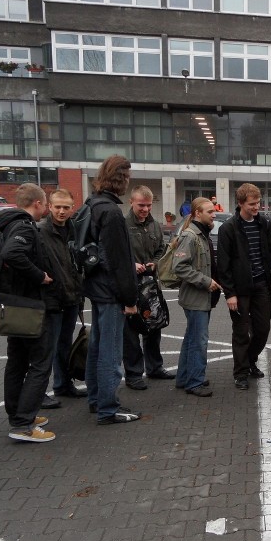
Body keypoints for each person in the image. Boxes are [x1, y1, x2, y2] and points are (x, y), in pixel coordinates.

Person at [83, 154, 142, 425]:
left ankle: (96, 399)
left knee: (96, 347)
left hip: (96, 288)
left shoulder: (91, 205)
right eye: (127, 176)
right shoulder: (111, 212)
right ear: (121, 177)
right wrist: (130, 298)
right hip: (111, 292)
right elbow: (119, 261)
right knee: (110, 351)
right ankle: (108, 407)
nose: (128, 182)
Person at [0, 183, 56, 442]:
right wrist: (39, 275)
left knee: (17, 361)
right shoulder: (24, 227)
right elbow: (13, 254)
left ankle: (17, 414)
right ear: (38, 203)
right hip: (28, 305)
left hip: (11, 303)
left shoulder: (5, 224)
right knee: (40, 363)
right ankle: (24, 423)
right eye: (45, 204)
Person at [216, 183, 271, 390]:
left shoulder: (265, 224)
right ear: (240, 203)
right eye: (252, 204)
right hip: (240, 290)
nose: (256, 207)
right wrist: (230, 294)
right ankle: (241, 373)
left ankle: (250, 360)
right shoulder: (228, 229)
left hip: (262, 285)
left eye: (258, 203)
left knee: (263, 329)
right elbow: (223, 265)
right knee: (241, 332)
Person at [123, 185, 175, 390]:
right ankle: (134, 374)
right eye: (140, 205)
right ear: (131, 203)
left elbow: (161, 249)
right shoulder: (123, 224)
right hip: (130, 284)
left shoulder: (154, 225)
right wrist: (131, 265)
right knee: (131, 332)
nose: (145, 209)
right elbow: (115, 252)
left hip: (151, 284)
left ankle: (154, 368)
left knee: (153, 327)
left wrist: (155, 261)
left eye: (148, 205)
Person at [38, 188, 85, 409]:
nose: (62, 211)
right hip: (52, 298)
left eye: (66, 207)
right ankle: (39, 392)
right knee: (47, 347)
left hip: (72, 295)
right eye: (57, 207)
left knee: (65, 344)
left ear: (72, 207)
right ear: (49, 207)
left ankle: (63, 384)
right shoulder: (41, 231)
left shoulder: (74, 229)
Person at [173, 197, 221, 397]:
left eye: (213, 211)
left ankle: (185, 377)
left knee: (191, 338)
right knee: (198, 341)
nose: (214, 215)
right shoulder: (191, 236)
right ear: (197, 214)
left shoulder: (201, 235)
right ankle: (195, 382)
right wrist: (206, 281)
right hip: (195, 298)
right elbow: (180, 268)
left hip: (201, 298)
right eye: (210, 212)